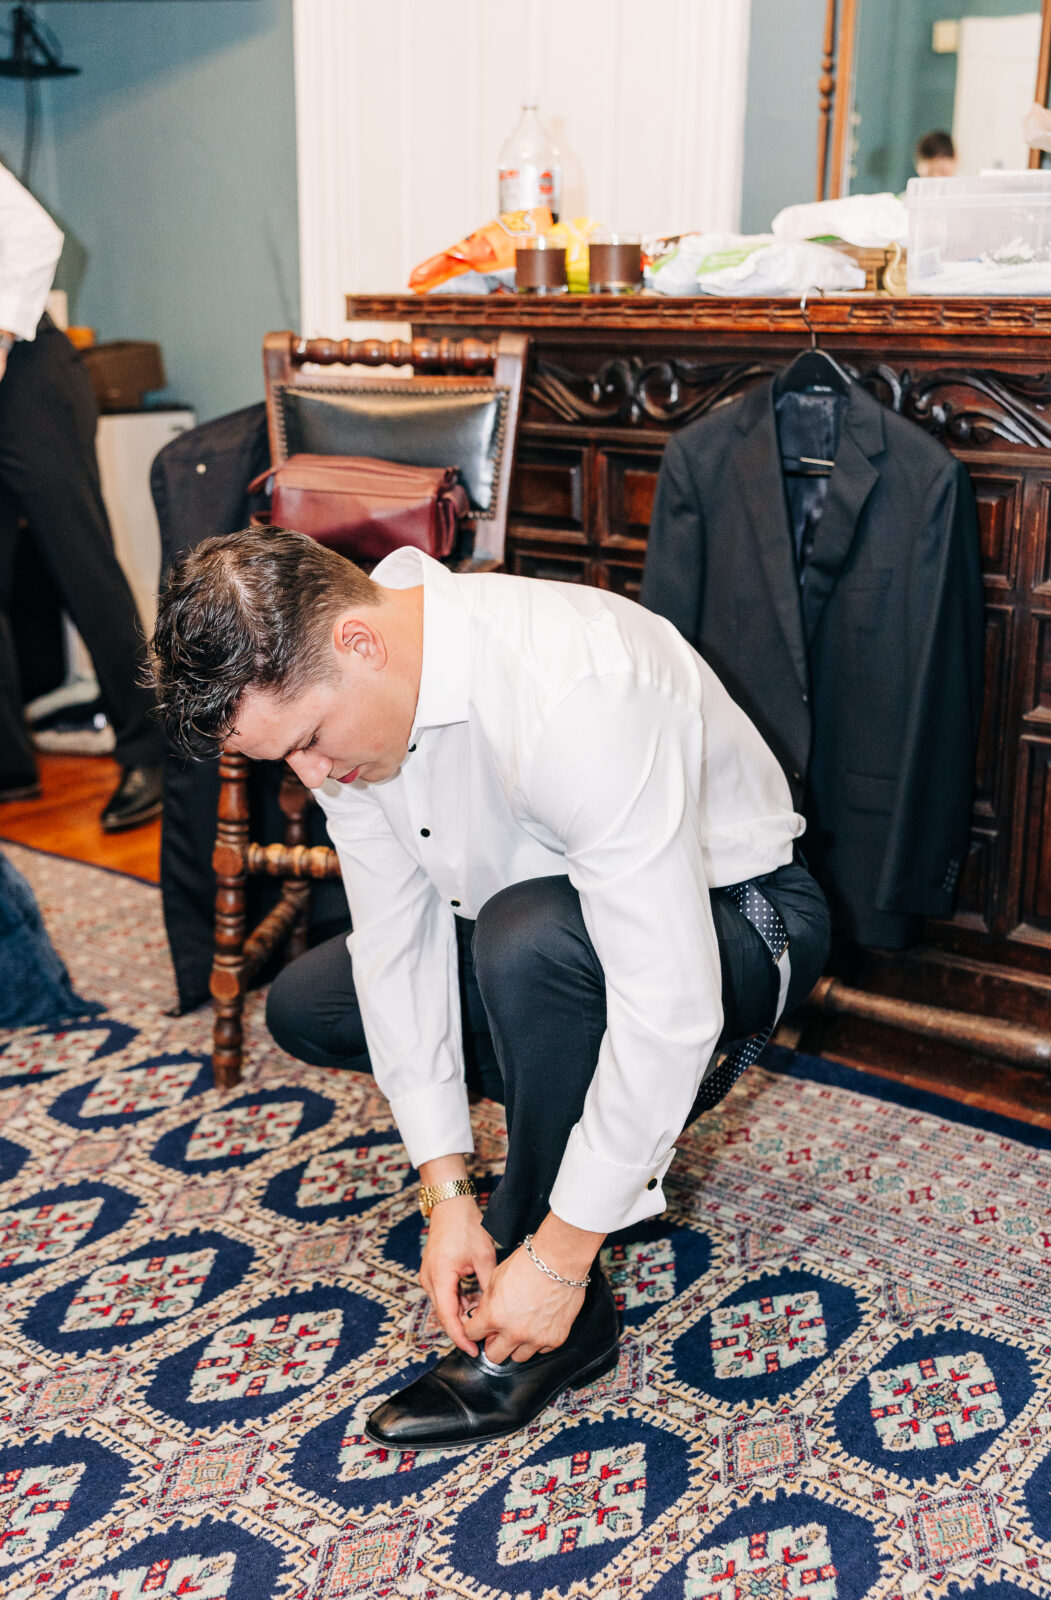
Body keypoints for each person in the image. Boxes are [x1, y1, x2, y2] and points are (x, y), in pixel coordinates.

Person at [151, 526, 831, 1449]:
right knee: (314, 1003)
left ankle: (564, 1294)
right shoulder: (352, 717)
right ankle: (583, 1136)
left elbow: (670, 1001)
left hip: (744, 917)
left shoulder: (576, 689)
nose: (311, 778)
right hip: (554, 927)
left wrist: (557, 1251)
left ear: (358, 640)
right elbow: (396, 946)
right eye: (287, 762)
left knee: (528, 942)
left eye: (309, 741)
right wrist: (446, 1192)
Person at [0, 159, 162, 829]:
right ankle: (9, 771)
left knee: (82, 564)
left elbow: (32, 235)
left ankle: (152, 751)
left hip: (27, 374)